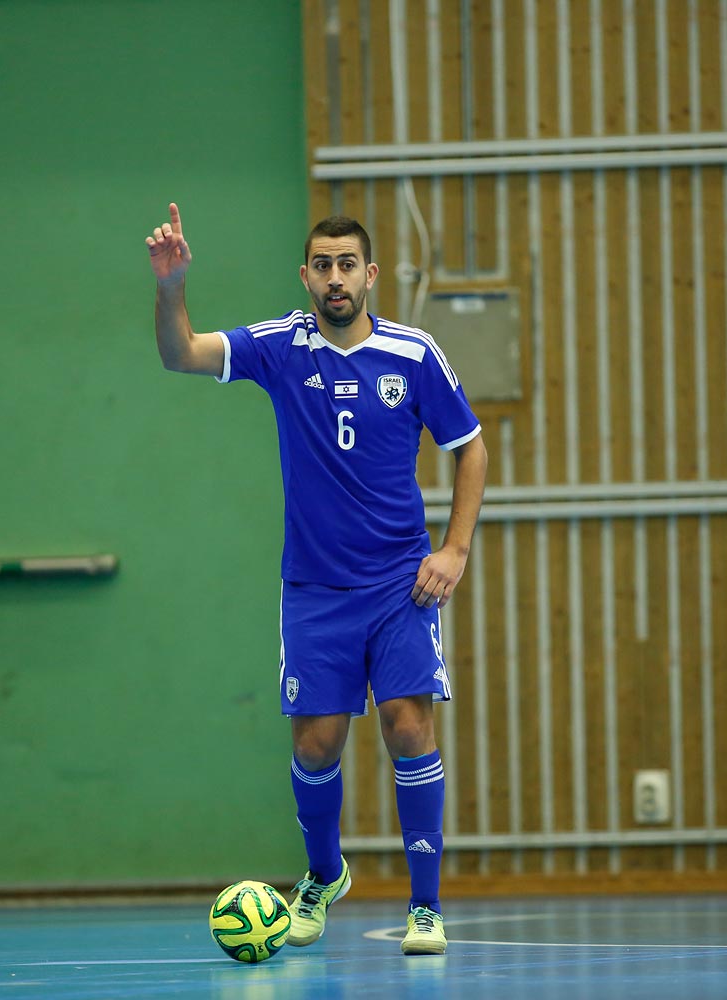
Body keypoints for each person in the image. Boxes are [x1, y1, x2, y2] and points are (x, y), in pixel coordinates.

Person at [147, 203, 487, 956]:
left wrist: (454, 550)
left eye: (347, 265)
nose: (335, 279)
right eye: (321, 266)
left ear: (369, 275)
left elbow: (470, 446)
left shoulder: (414, 353)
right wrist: (172, 287)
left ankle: (425, 908)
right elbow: (180, 355)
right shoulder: (279, 347)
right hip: (315, 590)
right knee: (316, 747)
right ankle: (324, 874)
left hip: (401, 583)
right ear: (305, 276)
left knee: (409, 726)